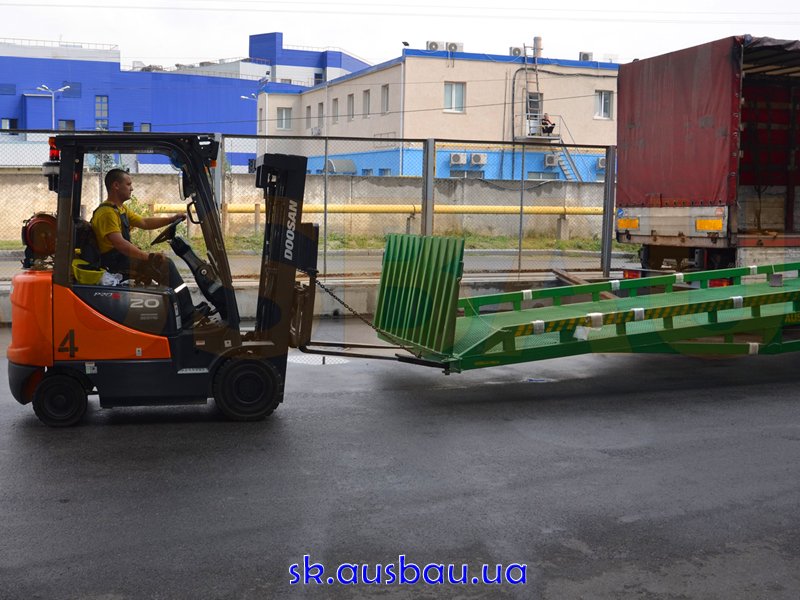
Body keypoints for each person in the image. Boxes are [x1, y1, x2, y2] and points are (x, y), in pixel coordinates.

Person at [91, 168, 196, 323]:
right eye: (128, 184)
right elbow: (120, 244)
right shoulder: (107, 213)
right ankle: (187, 313)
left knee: (164, 265)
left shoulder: (119, 209)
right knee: (165, 265)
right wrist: (148, 257)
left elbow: (144, 222)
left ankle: (176, 311)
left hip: (121, 259)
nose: (132, 188)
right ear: (116, 186)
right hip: (115, 263)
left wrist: (170, 219)